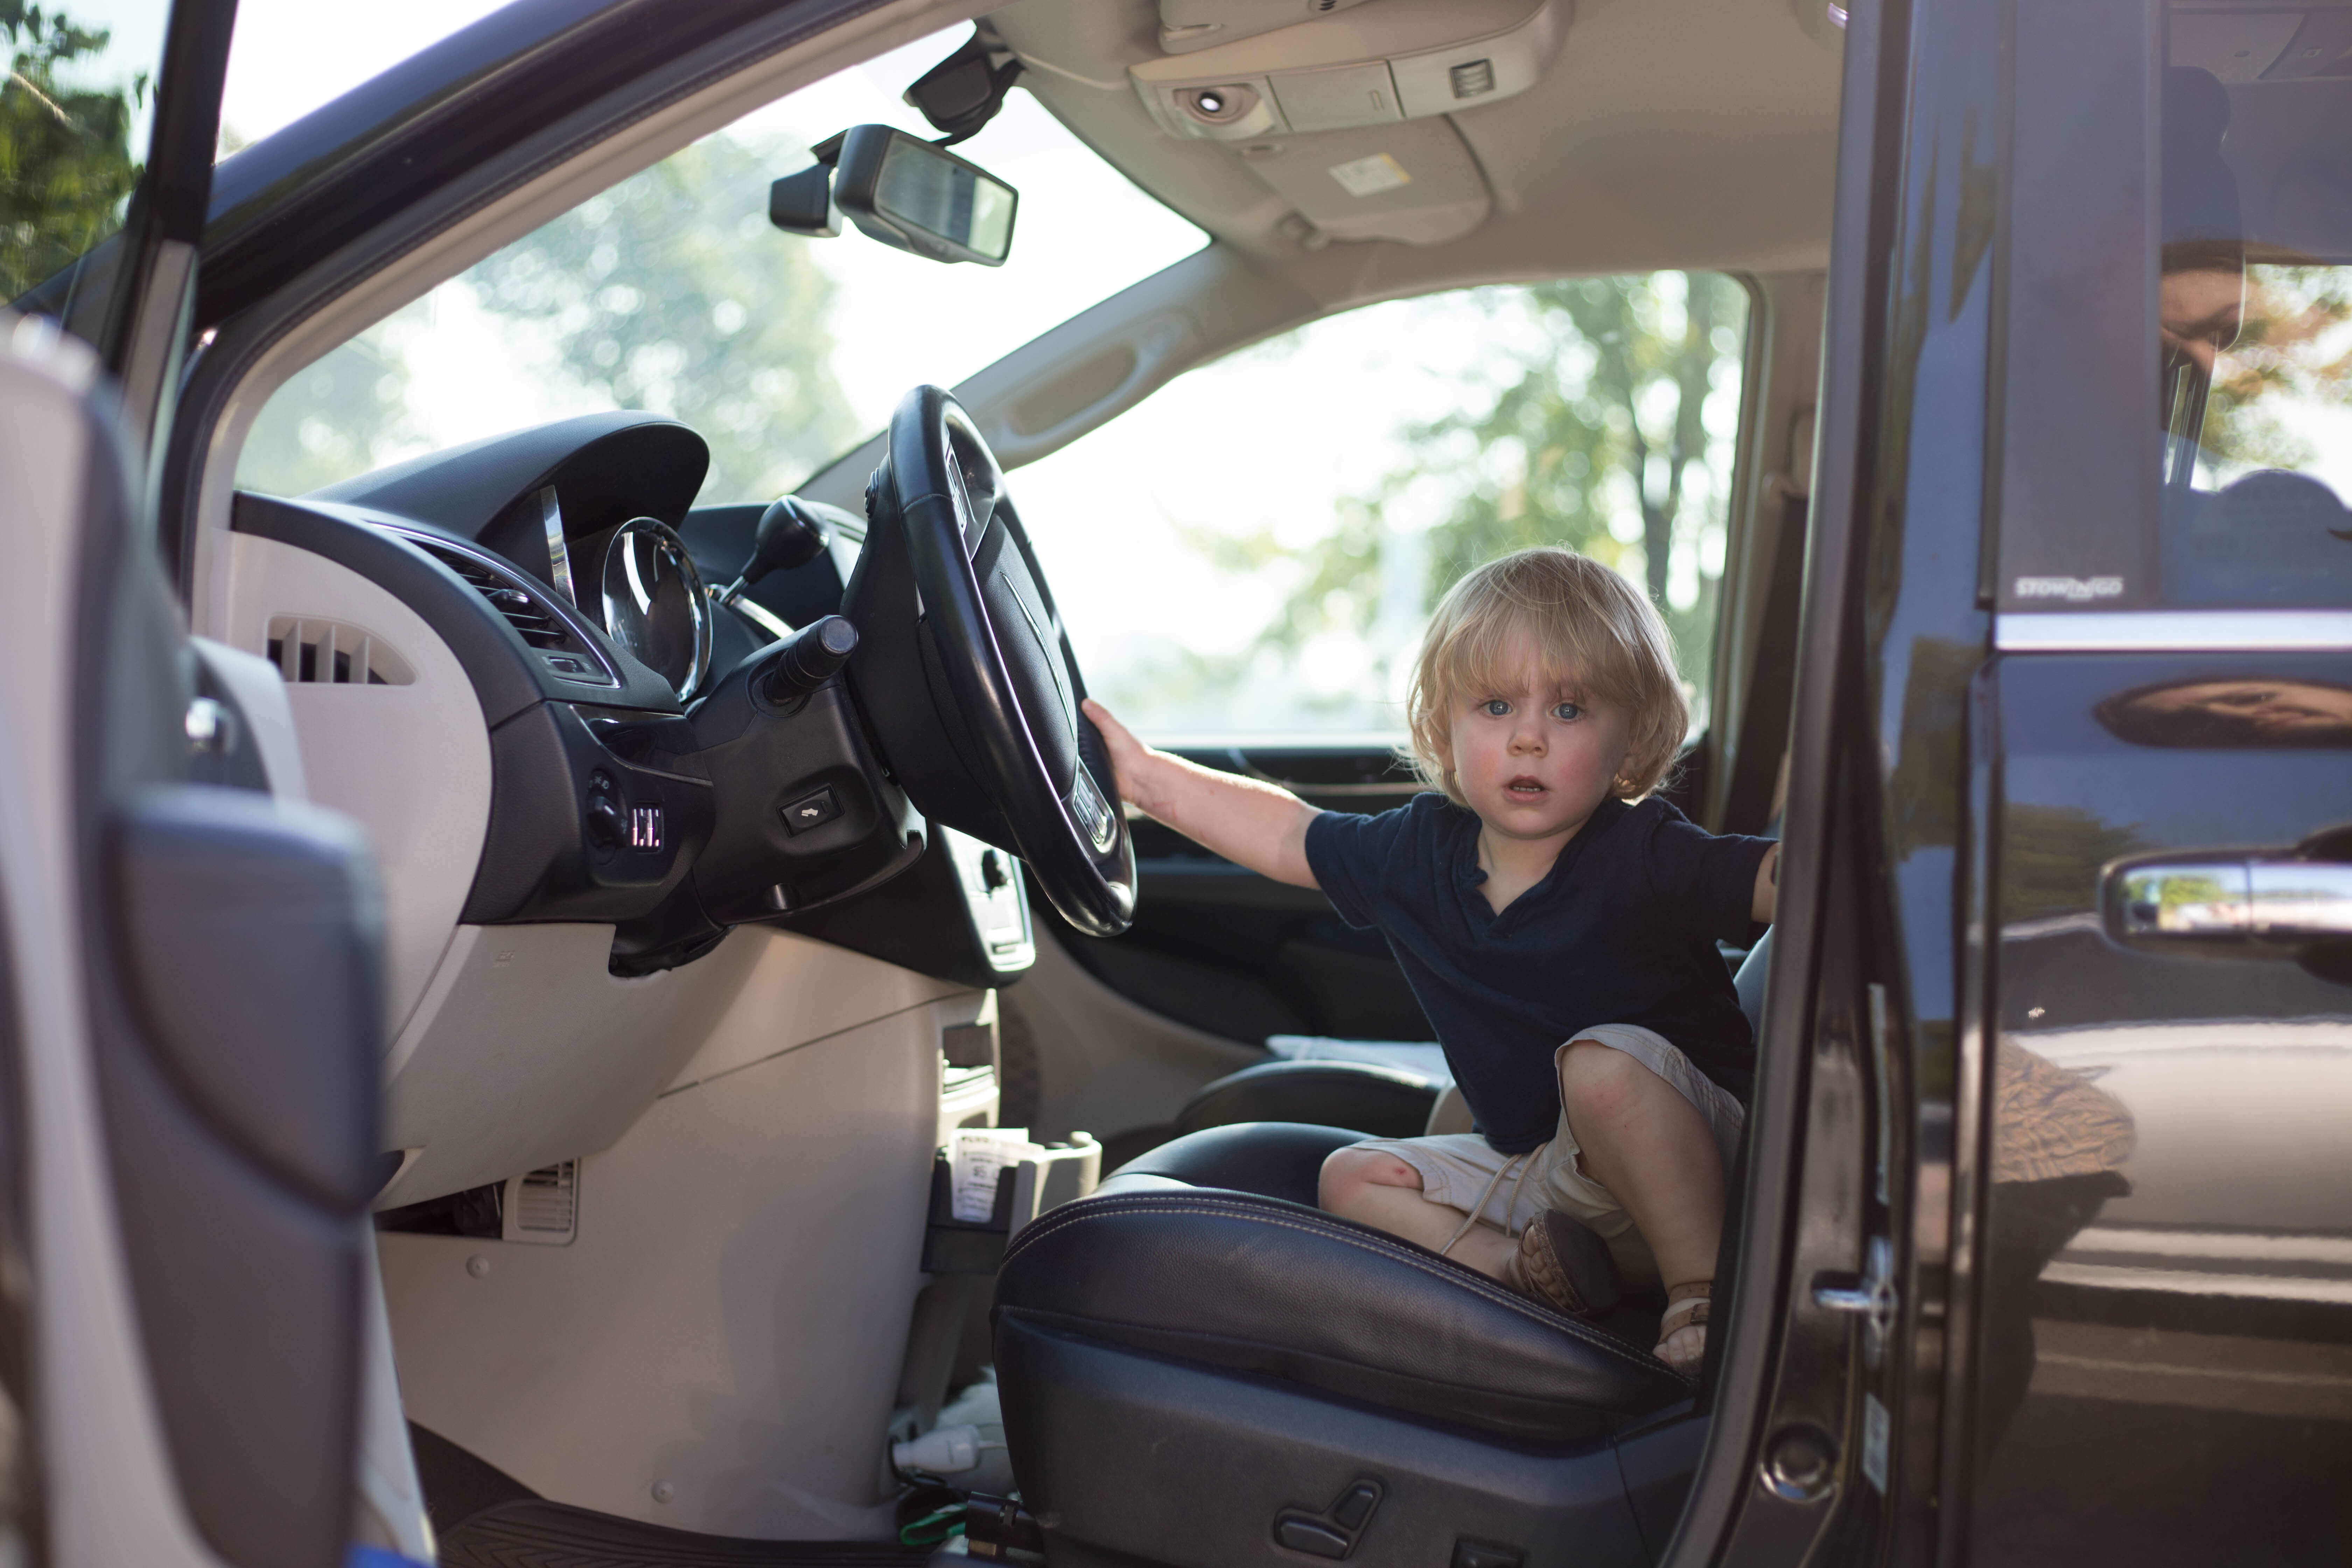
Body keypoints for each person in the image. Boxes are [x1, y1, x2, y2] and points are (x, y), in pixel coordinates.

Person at [1083, 547, 1779, 1371]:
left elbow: (1782, 879)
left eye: (1569, 710)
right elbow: (1288, 832)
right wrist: (1147, 782)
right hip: (1559, 1179)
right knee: (1354, 1177)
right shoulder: (1419, 851)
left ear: (1632, 740)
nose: (1527, 737)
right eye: (1495, 705)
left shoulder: (1650, 854)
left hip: (1697, 1159)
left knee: (1599, 1067)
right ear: (1444, 728)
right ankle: (1520, 1279)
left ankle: (1702, 1295)